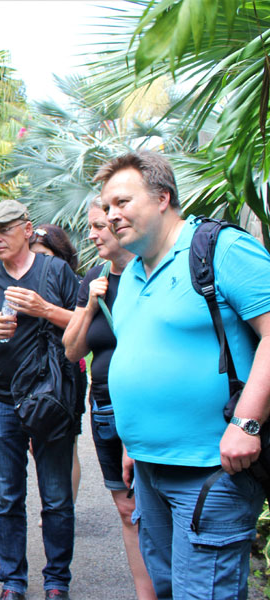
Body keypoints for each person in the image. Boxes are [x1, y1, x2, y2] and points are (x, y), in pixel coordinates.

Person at [95, 150, 270, 599]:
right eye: (107, 207)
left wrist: (246, 422)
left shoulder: (217, 249)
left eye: (122, 202)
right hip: (150, 471)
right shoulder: (132, 272)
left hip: (213, 469)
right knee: (170, 587)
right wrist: (135, 444)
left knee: (204, 592)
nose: (111, 216)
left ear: (162, 198)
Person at [0, 199, 79, 600]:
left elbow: (83, 327)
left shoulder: (56, 271)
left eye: (5, 229)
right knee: (8, 496)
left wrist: (46, 309)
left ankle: (56, 581)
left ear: (27, 230)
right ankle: (12, 581)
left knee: (56, 495)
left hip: (48, 396)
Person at [61, 199, 156, 599]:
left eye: (100, 226)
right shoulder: (94, 277)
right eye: (92, 228)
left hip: (149, 408)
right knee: (125, 508)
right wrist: (90, 303)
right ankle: (145, 592)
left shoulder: (151, 273)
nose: (94, 234)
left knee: (157, 504)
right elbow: (72, 350)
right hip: (104, 406)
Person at [29, 224, 87, 504]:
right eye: (34, 255)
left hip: (66, 370)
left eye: (44, 255)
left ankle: (66, 505)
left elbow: (82, 322)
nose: (39, 262)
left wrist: (45, 310)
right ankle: (53, 501)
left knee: (67, 442)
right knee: (37, 441)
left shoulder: (74, 281)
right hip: (34, 370)